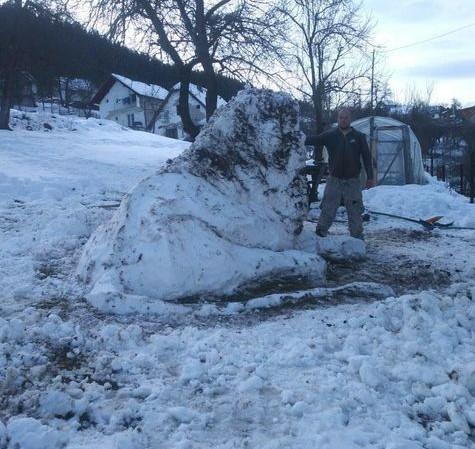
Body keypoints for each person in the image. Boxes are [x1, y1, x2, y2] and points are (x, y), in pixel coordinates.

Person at [305, 108, 374, 240]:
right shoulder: (330, 135)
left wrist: (370, 177)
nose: (343, 120)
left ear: (350, 119)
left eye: (346, 118)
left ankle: (357, 237)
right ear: (338, 119)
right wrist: (299, 138)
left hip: (352, 181)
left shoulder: (359, 137)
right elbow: (314, 139)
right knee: (328, 208)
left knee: (355, 210)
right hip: (334, 180)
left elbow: (367, 158)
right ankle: (320, 233)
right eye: (341, 118)